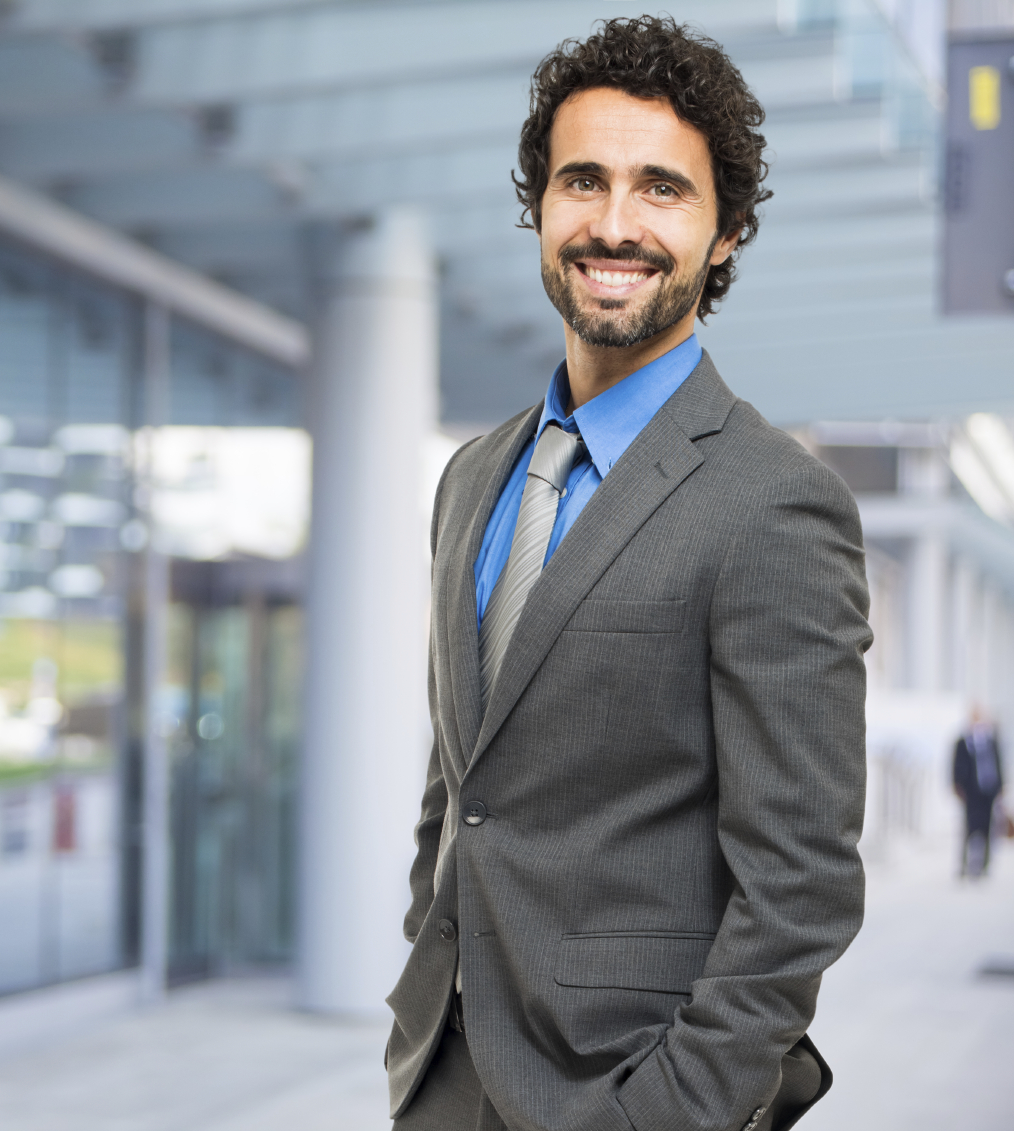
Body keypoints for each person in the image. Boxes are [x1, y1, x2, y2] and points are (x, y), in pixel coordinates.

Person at [384, 18, 872, 1131]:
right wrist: (423, 988)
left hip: (627, 1089)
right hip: (443, 1078)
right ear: (539, 207)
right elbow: (463, 783)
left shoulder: (773, 505)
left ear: (728, 231)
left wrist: (669, 1113)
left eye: (662, 189)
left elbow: (800, 884)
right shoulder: (473, 475)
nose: (614, 224)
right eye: (583, 182)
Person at [953, 707, 1003, 879]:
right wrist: (957, 786)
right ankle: (964, 864)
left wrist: (1001, 787)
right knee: (968, 828)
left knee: (988, 828)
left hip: (988, 790)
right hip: (971, 792)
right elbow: (956, 766)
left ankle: (985, 865)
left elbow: (998, 764)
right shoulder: (964, 741)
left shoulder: (991, 741)